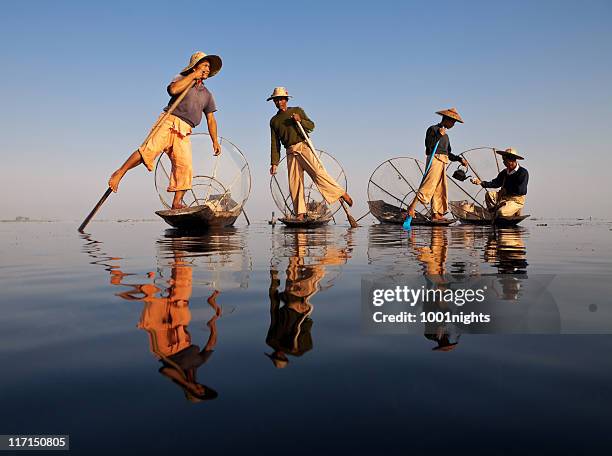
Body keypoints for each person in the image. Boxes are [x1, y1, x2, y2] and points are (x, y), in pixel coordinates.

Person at [108, 51, 222, 209]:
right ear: (195, 66)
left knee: (185, 166)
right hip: (169, 121)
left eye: (209, 67)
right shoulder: (182, 78)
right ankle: (120, 172)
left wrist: (215, 141)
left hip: (185, 130)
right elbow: (173, 90)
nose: (207, 69)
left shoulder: (207, 95)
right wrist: (193, 76)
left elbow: (211, 119)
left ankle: (177, 202)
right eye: (204, 65)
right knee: (148, 151)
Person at [268, 87, 353, 221]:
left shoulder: (296, 111)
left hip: (303, 147)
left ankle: (341, 193)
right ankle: (300, 213)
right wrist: (274, 163)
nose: (279, 102)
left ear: (286, 99)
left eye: (281, 99)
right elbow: (275, 143)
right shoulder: (274, 121)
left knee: (318, 173)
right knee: (294, 183)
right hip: (290, 152)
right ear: (274, 102)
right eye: (276, 100)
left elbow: (311, 126)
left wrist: (300, 120)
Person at [407, 108, 468, 221]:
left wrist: (459, 159)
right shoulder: (433, 129)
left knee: (439, 188)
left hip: (443, 161)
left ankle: (436, 213)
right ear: (447, 119)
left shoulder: (446, 136)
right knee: (428, 185)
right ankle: (412, 207)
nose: (453, 124)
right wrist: (439, 135)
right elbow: (428, 146)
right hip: (434, 159)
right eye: (452, 122)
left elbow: (448, 153)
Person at [471, 148, 528, 217]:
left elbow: (521, 190)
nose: (503, 162)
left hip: (516, 200)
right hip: (504, 197)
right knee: (488, 194)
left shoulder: (523, 172)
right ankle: (492, 213)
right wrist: (481, 183)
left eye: (505, 160)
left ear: (512, 160)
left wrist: (506, 191)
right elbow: (496, 183)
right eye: (503, 159)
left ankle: (510, 210)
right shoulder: (504, 172)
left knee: (501, 212)